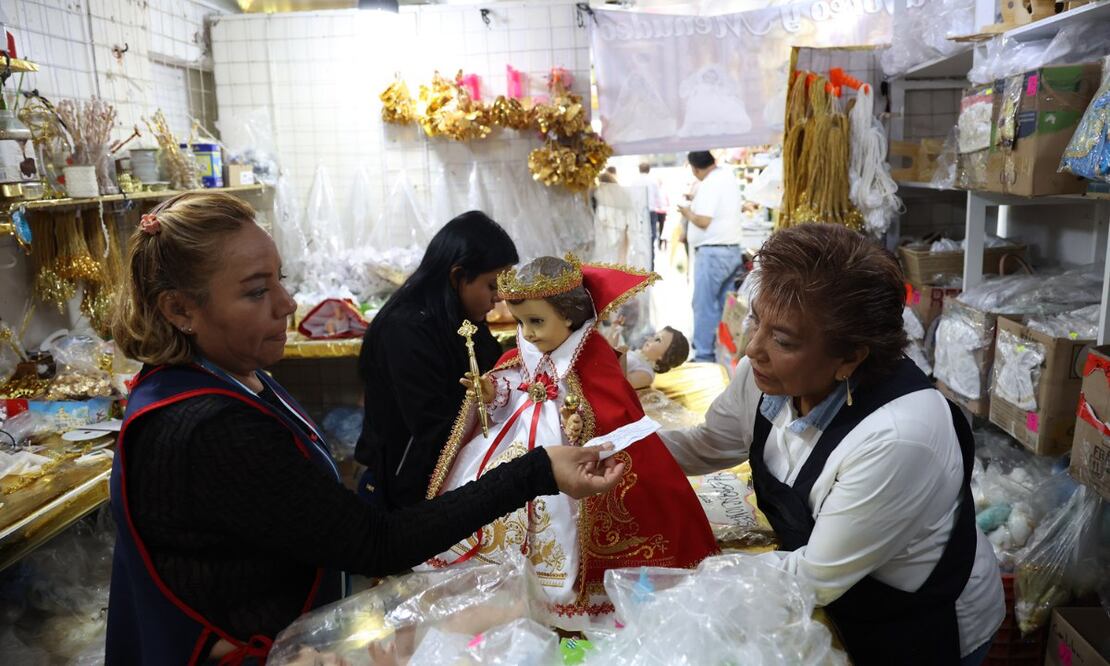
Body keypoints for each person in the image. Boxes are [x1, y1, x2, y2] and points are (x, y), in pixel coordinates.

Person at [105, 193, 625, 665]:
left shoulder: (234, 377)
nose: (287, 305)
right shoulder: (206, 427)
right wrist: (534, 471)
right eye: (256, 292)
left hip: (299, 628)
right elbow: (377, 542)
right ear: (179, 308)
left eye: (280, 280)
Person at [659, 224, 1005, 666]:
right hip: (838, 589)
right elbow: (710, 442)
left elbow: (815, 577)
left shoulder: (899, 436)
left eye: (783, 340)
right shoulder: (769, 373)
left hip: (913, 617)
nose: (752, 349)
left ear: (850, 357)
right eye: (756, 320)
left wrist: (685, 582)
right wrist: (615, 453)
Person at [420, 255, 717, 630]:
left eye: (537, 321)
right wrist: (492, 389)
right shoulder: (522, 353)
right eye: (521, 322)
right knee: (490, 498)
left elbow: (612, 411)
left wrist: (580, 424)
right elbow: (512, 386)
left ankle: (559, 598)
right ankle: (498, 584)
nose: (526, 333)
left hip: (563, 457)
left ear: (570, 316)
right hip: (515, 445)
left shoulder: (593, 357)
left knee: (560, 520)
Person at [356, 211, 516, 509]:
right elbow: (434, 426)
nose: (499, 298)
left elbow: (492, 377)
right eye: (492, 285)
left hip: (446, 478)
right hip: (402, 493)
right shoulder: (406, 329)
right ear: (457, 277)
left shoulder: (465, 319)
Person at [677, 150, 743, 362]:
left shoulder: (711, 183)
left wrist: (686, 212)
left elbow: (703, 220)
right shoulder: (727, 176)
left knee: (704, 306)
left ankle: (705, 356)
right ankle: (725, 353)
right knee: (726, 307)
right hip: (729, 250)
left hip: (713, 253)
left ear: (695, 168)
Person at [622, 325, 690, 390]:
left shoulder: (647, 374)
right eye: (654, 336)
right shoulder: (636, 354)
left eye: (658, 340)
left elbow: (623, 384)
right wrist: (615, 328)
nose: (650, 339)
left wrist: (622, 356)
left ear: (664, 357)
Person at [632, 162, 668, 254]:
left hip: (639, 211)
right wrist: (659, 206)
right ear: (649, 170)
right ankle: (650, 254)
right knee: (651, 235)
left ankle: (641, 252)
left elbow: (633, 197)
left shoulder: (635, 182)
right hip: (651, 211)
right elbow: (657, 196)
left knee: (640, 233)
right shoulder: (653, 181)